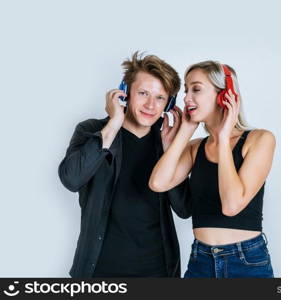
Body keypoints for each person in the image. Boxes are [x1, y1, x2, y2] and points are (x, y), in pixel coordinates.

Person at [58, 51, 191, 278]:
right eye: (143, 93)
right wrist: (112, 125)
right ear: (125, 92)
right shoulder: (92, 130)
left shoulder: (167, 142)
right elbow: (71, 179)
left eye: (160, 97)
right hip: (100, 271)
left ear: (169, 104)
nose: (151, 104)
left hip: (158, 271)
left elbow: (184, 208)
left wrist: (171, 151)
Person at [149, 61, 276, 278]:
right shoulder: (195, 147)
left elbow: (231, 205)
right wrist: (185, 132)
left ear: (224, 95)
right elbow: (158, 183)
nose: (187, 98)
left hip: (245, 262)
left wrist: (224, 137)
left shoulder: (260, 139)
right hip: (201, 260)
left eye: (196, 89)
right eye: (186, 90)